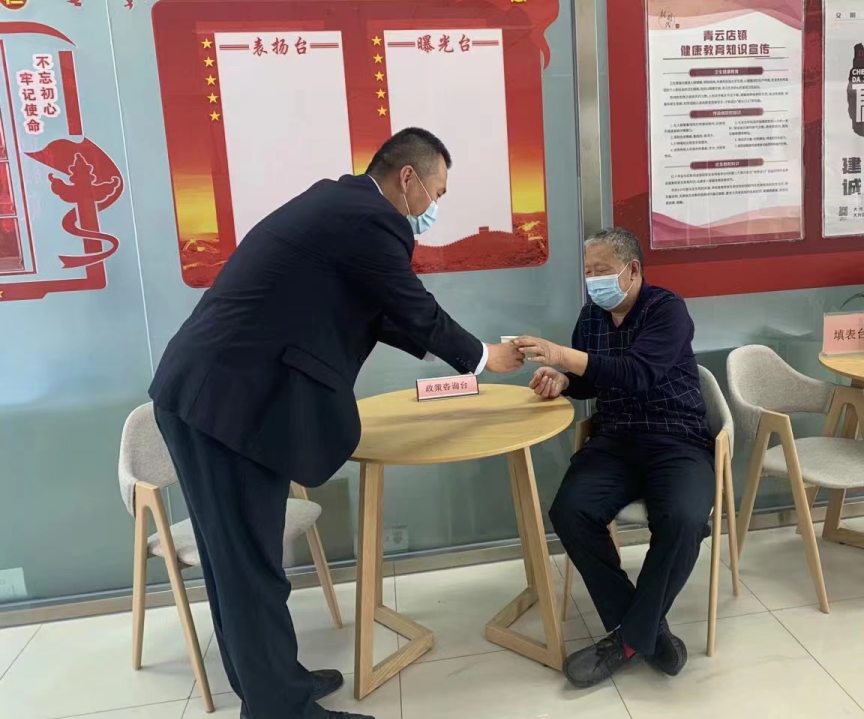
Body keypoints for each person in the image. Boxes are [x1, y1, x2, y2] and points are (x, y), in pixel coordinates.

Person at [149, 128, 524, 719]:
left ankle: (275, 686)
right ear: (408, 178)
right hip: (227, 406)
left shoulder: (341, 206)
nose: (434, 208)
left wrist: (455, 350)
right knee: (248, 568)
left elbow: (380, 309)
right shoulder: (371, 220)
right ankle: (279, 709)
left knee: (235, 561)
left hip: (216, 395)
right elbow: (411, 305)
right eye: (438, 192)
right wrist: (482, 356)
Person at [513, 227, 714, 688]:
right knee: (570, 511)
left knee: (684, 518)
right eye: (588, 272)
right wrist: (564, 380)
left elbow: (637, 373)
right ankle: (645, 630)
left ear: (632, 270)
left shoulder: (667, 309)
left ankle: (624, 642)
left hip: (677, 438)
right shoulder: (591, 317)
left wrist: (563, 356)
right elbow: (591, 380)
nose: (593, 281)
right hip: (616, 439)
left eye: (601, 271)